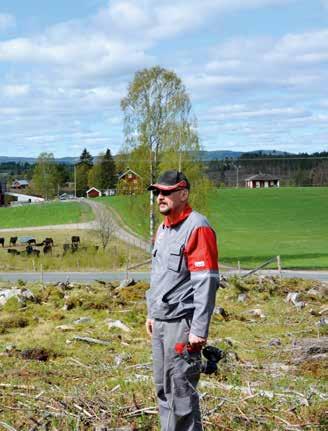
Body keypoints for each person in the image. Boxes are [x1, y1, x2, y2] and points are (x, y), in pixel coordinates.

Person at [146, 170, 219, 431]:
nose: (160, 197)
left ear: (184, 194)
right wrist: (151, 313)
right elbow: (159, 276)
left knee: (181, 393)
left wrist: (199, 329)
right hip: (162, 322)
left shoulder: (198, 227)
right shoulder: (163, 229)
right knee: (163, 389)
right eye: (158, 192)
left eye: (167, 192)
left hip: (183, 325)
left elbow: (206, 281)